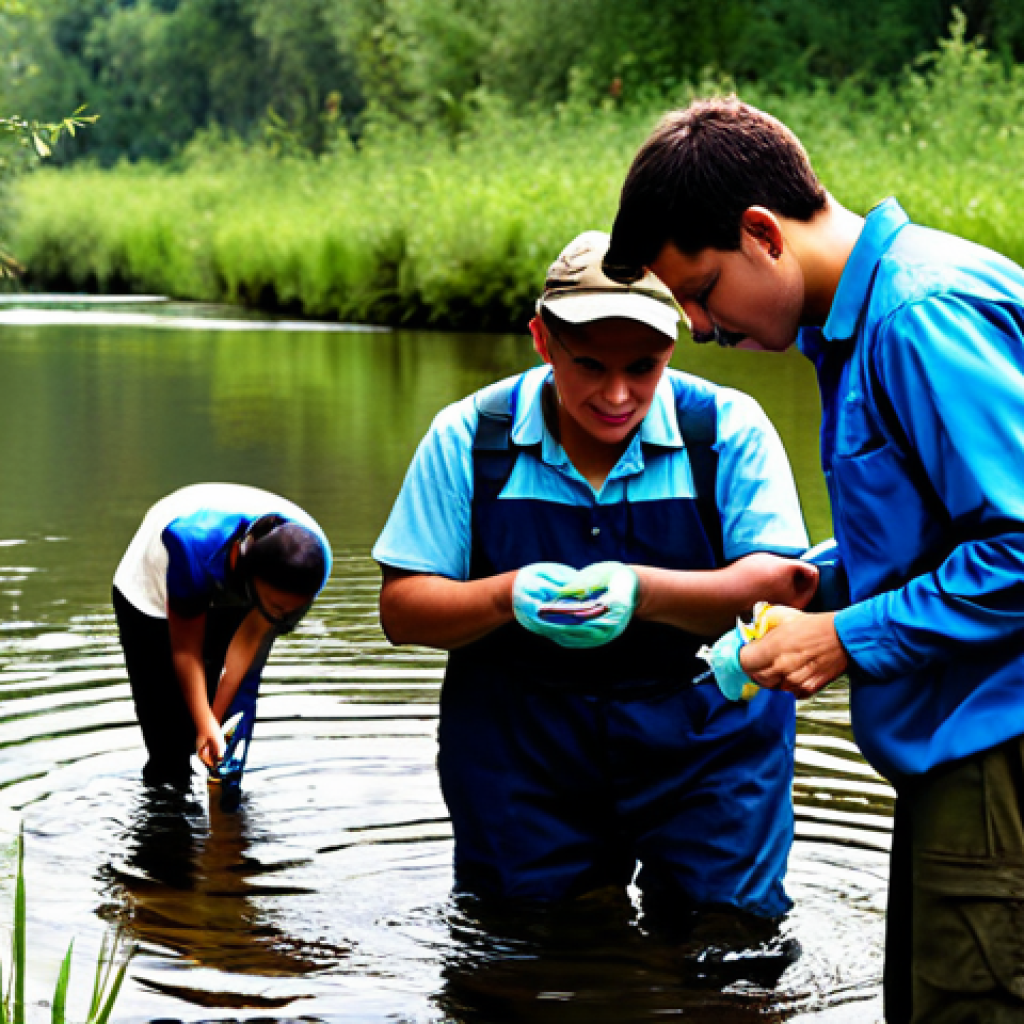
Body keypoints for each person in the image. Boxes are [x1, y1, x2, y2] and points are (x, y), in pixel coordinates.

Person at [603, 96, 1024, 1022]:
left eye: (702, 292)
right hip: (958, 739)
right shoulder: (853, 331)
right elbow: (951, 533)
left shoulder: (920, 314)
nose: (700, 329)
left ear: (762, 234)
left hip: (999, 743)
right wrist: (820, 580)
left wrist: (844, 636)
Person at [373, 229, 821, 920]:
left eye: (643, 367)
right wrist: (505, 596)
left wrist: (642, 591)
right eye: (588, 365)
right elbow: (403, 611)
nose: (617, 395)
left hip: (709, 741)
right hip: (520, 746)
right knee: (522, 949)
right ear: (542, 341)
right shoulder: (469, 438)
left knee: (730, 946)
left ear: (671, 346)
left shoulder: (727, 430)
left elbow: (780, 585)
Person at [113, 482, 332, 807]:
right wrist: (201, 724)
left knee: (231, 727)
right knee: (168, 737)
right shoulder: (193, 549)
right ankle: (165, 819)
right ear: (249, 578)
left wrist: (212, 723)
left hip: (246, 585)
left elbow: (248, 644)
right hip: (150, 598)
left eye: (291, 611)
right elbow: (186, 651)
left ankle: (227, 808)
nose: (285, 617)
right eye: (278, 609)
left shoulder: (312, 563)